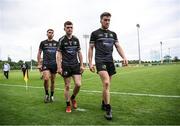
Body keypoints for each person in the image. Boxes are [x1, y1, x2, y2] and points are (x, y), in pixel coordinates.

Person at [88, 12, 128, 120]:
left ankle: (103, 102)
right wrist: (90, 62)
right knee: (106, 82)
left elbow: (118, 46)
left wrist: (124, 57)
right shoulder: (95, 33)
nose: (107, 22)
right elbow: (91, 48)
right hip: (100, 61)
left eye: (109, 20)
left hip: (110, 61)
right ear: (101, 20)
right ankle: (108, 108)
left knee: (107, 85)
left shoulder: (113, 34)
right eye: (105, 20)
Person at [56, 21, 84, 113]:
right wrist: (59, 67)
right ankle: (68, 105)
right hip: (66, 65)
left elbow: (79, 52)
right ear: (64, 28)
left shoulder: (76, 39)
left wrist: (82, 65)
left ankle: (73, 98)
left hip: (75, 65)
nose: (69, 29)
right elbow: (59, 54)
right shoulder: (61, 40)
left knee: (78, 84)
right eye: (68, 27)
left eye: (71, 27)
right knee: (67, 86)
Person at [37, 29, 58, 103]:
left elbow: (59, 54)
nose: (50, 34)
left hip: (54, 64)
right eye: (49, 32)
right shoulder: (43, 43)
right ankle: (46, 94)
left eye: (52, 33)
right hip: (46, 63)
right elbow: (39, 53)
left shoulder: (56, 43)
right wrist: (39, 63)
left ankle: (52, 95)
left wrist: (59, 64)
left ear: (53, 34)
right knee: (46, 79)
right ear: (47, 34)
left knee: (53, 81)